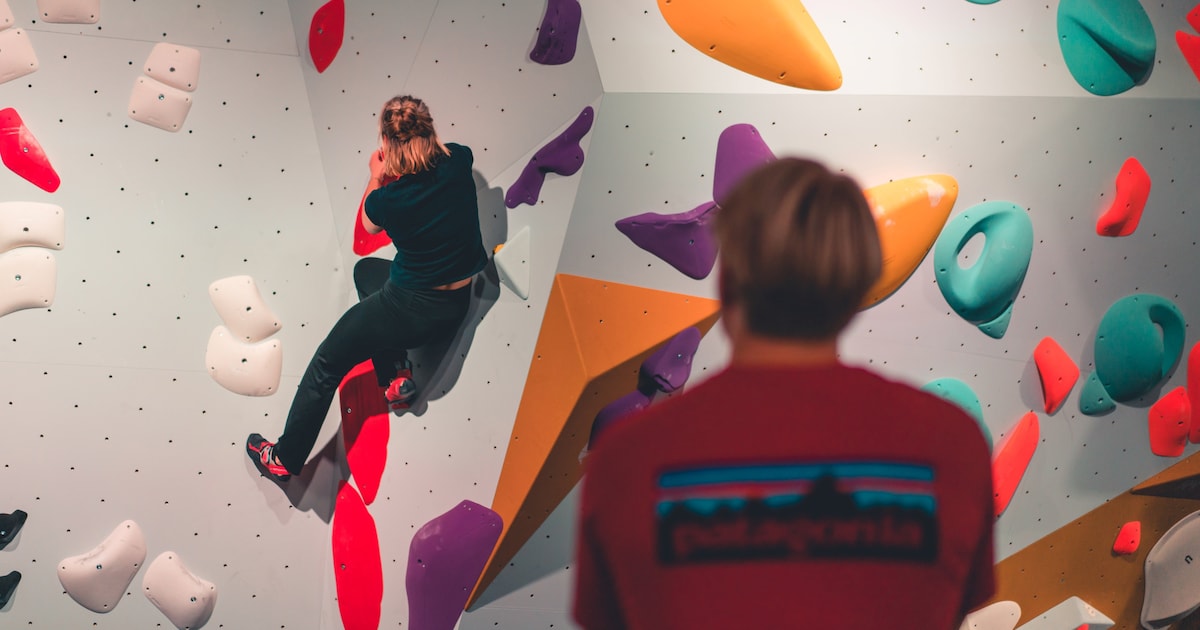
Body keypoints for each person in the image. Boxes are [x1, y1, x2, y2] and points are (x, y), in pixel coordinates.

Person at [573, 158, 995, 629]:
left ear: (729, 281)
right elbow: (953, 608)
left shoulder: (628, 456)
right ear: (854, 288)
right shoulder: (952, 443)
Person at [246, 95, 487, 481]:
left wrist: (378, 173)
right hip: (456, 302)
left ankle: (284, 459)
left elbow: (369, 224)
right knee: (367, 272)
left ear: (388, 145)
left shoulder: (390, 200)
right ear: (430, 130)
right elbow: (443, 158)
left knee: (326, 365)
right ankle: (395, 378)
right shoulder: (459, 160)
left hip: (410, 309)